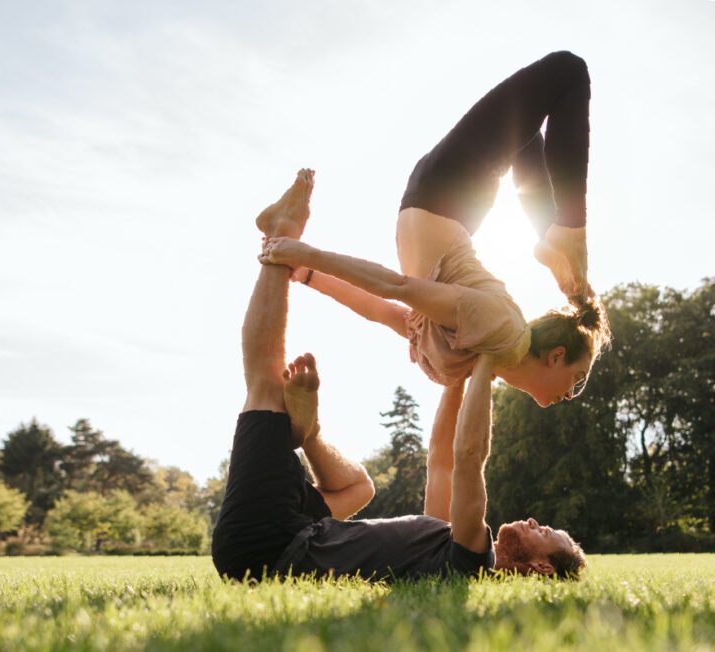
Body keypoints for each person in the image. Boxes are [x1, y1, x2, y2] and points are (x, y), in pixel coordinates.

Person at [211, 169, 586, 583]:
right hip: (303, 530)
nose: (537, 521)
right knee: (360, 488)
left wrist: (486, 360)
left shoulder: (471, 560)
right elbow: (441, 463)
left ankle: (280, 234)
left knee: (266, 389)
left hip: (268, 546)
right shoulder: (450, 544)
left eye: (548, 533)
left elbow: (467, 460)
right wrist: (462, 372)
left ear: (541, 566)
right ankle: (310, 433)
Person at [259, 51, 611, 410]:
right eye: (577, 380)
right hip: (448, 195)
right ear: (555, 356)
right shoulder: (504, 329)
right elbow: (397, 287)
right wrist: (305, 255)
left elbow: (382, 312)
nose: (570, 394)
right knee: (567, 73)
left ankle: (552, 232)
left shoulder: (476, 359)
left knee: (534, 116)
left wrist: (307, 275)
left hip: (439, 197)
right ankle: (563, 231)